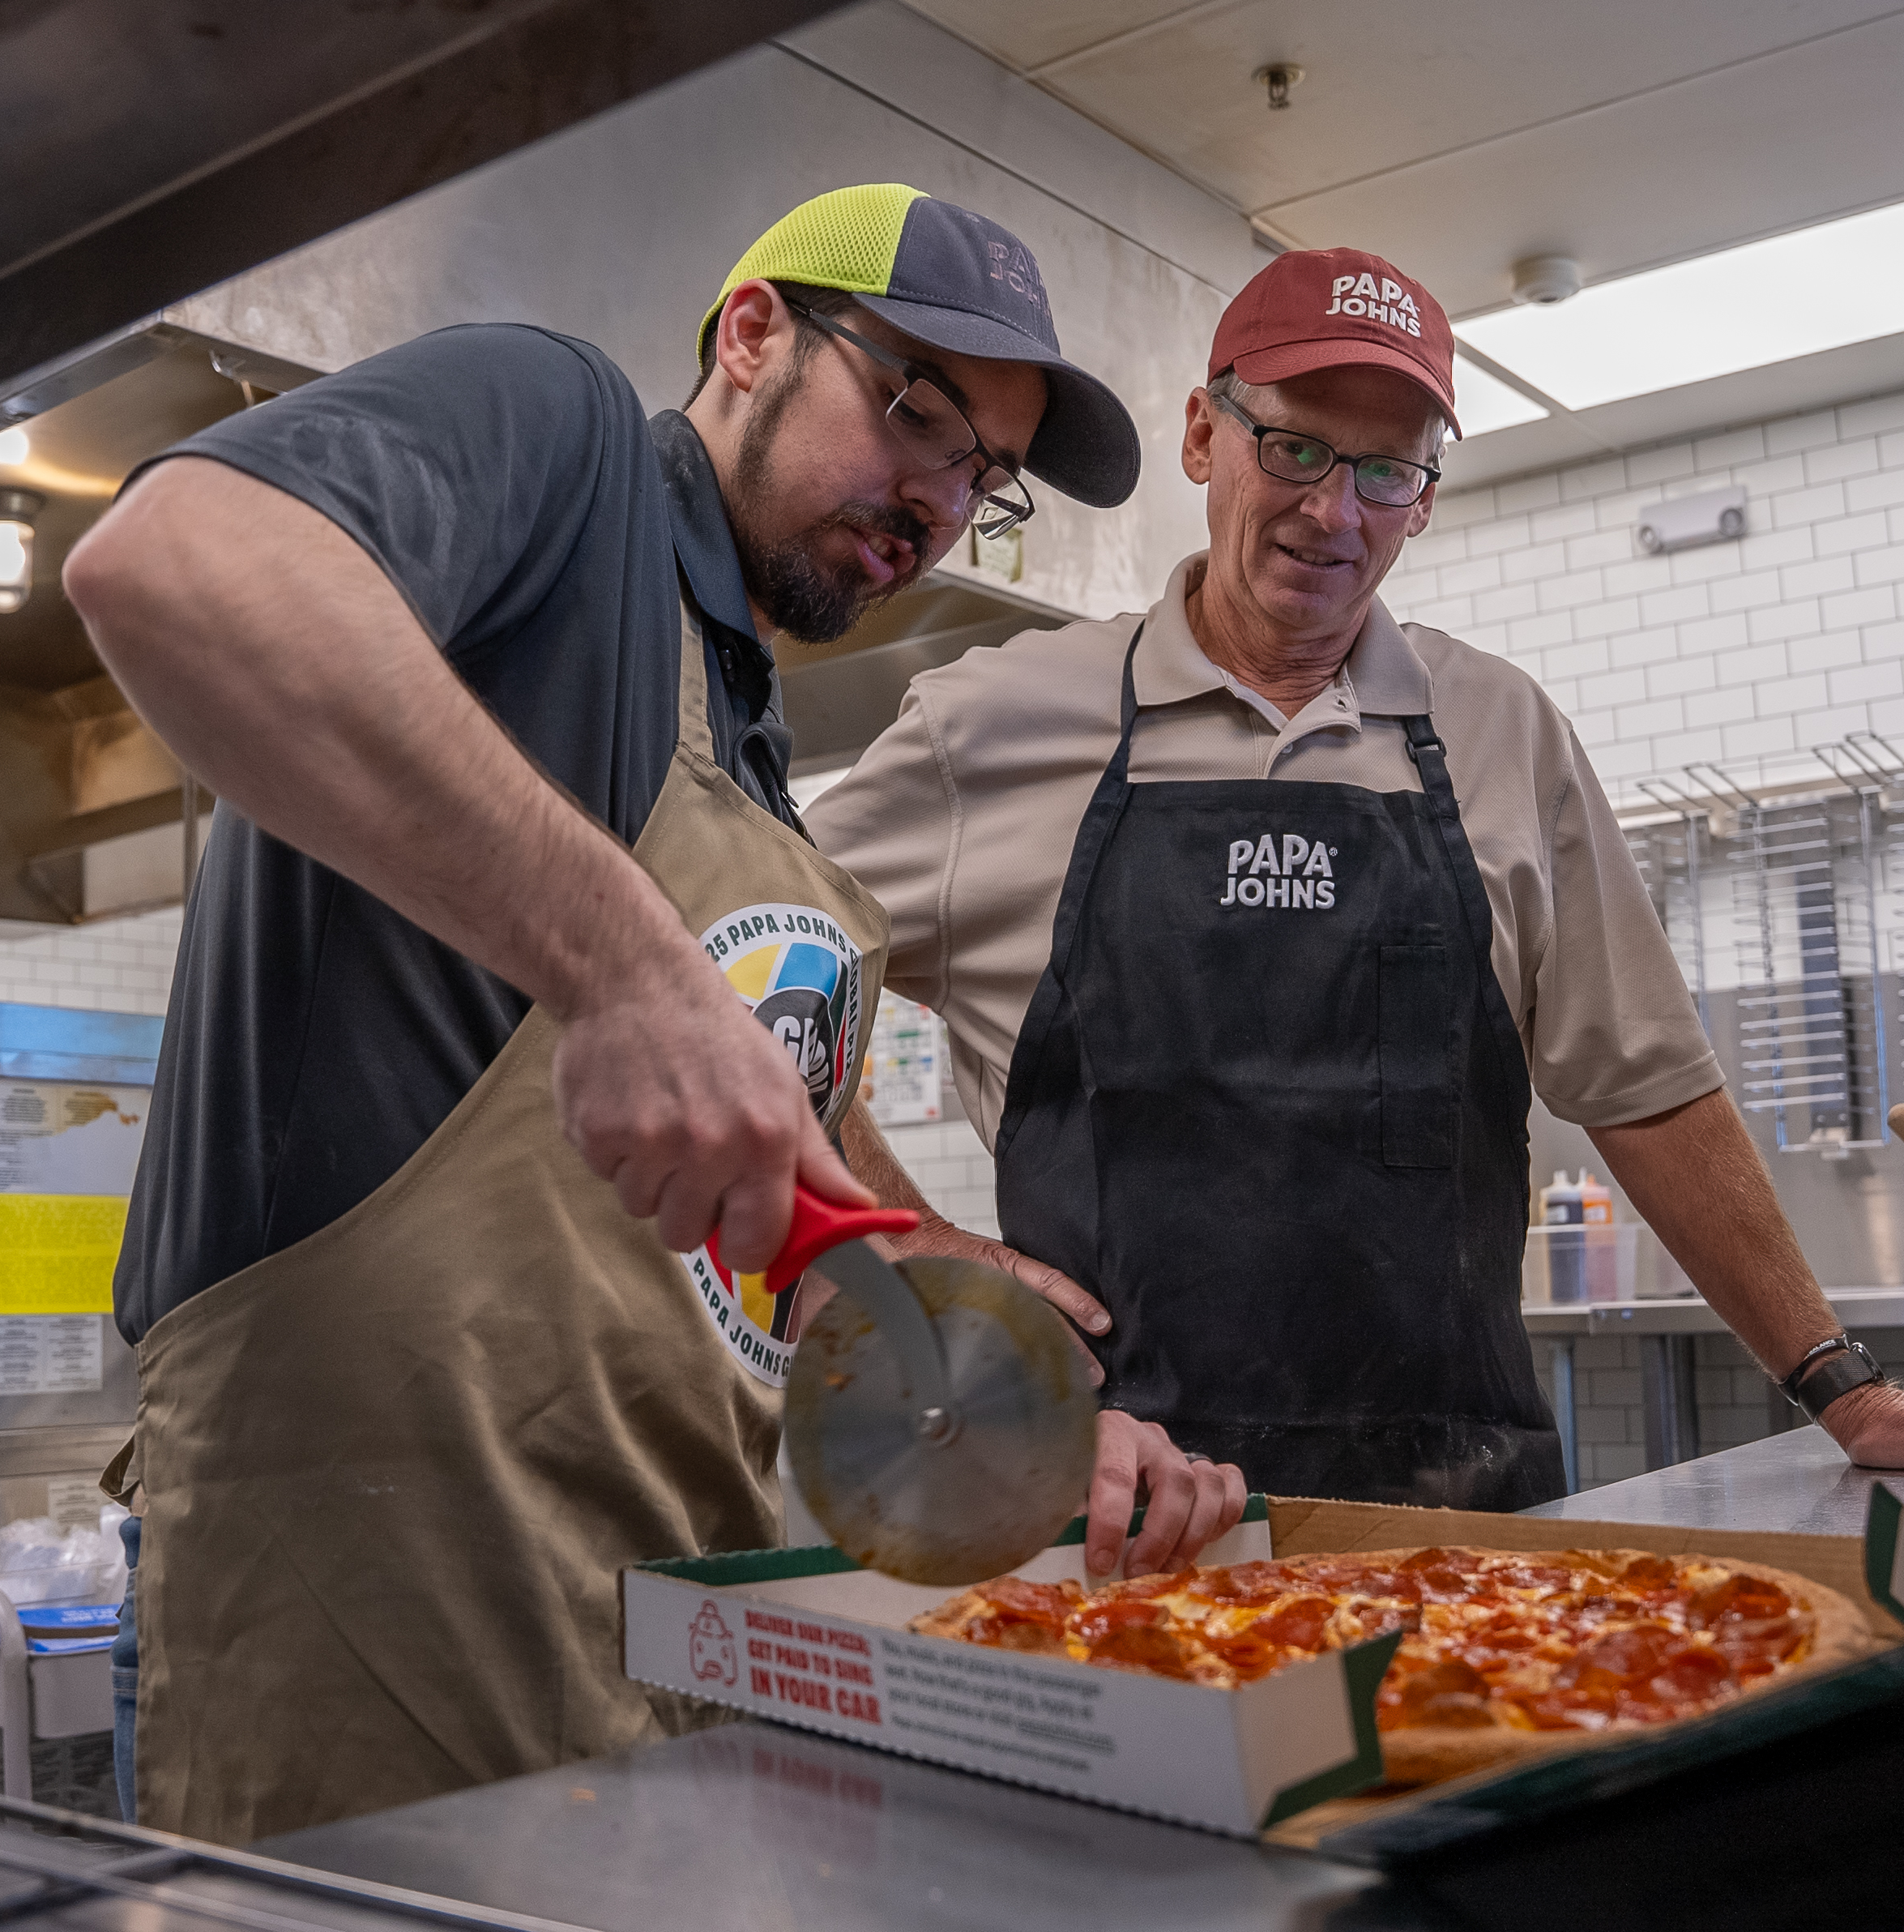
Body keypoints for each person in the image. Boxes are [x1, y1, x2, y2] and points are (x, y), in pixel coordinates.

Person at [63, 185, 1244, 1844]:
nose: (937, 497)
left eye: (984, 475)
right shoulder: (558, 441)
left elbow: (752, 1198)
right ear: (752, 334)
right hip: (364, 1614)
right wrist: (626, 971)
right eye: (916, 409)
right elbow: (181, 562)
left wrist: (1003, 1401)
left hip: (662, 1643)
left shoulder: (751, 745)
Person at [807, 247, 1904, 1511]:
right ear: (1204, 435)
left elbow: (1647, 1090)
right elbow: (747, 977)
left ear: (1424, 498)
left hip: (1455, 1526)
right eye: (1294, 449)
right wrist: (902, 1242)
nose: (1333, 513)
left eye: (1386, 472)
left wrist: (1843, 1385)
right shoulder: (993, 726)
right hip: (1106, 1512)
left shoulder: (1501, 732)